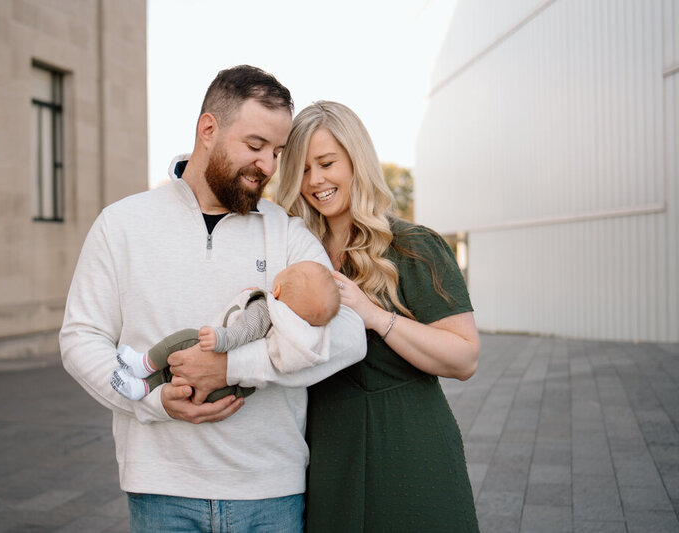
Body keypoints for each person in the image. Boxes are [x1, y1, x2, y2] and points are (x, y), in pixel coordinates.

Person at [59, 68, 366, 533]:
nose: (268, 166)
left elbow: (347, 336)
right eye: (255, 145)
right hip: (162, 489)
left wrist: (233, 368)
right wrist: (152, 401)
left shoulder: (287, 231)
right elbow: (81, 337)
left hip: (270, 492)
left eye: (278, 152)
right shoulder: (121, 224)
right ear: (208, 130)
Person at [276, 100, 481, 532]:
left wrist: (373, 316)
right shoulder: (294, 252)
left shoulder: (413, 246)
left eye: (327, 163)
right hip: (327, 451)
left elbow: (465, 358)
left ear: (356, 161)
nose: (315, 181)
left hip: (410, 447)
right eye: (304, 169)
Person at [111, 260, 341, 401]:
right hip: (234, 392)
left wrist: (220, 338)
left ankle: (142, 364)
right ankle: (142, 388)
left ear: (277, 289)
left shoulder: (265, 309)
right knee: (176, 376)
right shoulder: (301, 331)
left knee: (185, 340)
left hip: (222, 355)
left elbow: (245, 331)